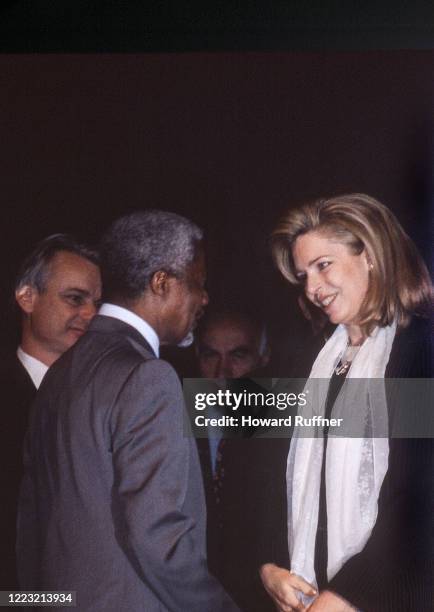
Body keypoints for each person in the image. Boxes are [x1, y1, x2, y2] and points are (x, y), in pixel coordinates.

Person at [17, 210, 239, 612]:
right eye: (198, 284)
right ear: (162, 282)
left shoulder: (57, 376)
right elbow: (156, 534)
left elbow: (30, 530)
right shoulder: (150, 377)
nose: (203, 298)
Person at [261, 193, 433, 611]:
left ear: (370, 255)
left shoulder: (419, 351)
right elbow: (266, 483)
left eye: (323, 265)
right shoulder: (309, 360)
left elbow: (417, 503)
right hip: (311, 593)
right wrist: (268, 569)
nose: (313, 288)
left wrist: (346, 598)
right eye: (303, 275)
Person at [0, 234, 101, 590]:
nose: (89, 314)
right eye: (75, 298)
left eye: (96, 304)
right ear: (27, 297)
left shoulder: (103, 399)